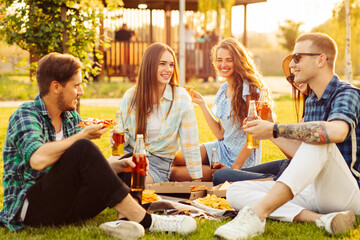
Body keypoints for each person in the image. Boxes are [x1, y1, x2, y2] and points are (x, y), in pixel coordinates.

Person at [0, 52, 197, 239]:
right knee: (83, 148)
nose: (81, 91)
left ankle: (125, 221)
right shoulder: (26, 114)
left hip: (65, 208)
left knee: (128, 162)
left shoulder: (70, 118)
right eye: (76, 86)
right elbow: (37, 159)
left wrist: (118, 166)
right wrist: (81, 137)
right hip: (30, 210)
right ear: (56, 87)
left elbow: (79, 172)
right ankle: (148, 220)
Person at [214, 32, 360, 239]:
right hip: (312, 191)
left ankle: (257, 214)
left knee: (319, 138)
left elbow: (336, 132)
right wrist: (268, 133)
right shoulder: (311, 102)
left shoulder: (347, 93)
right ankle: (320, 219)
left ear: (321, 60)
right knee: (235, 192)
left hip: (346, 193)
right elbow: (302, 153)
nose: (292, 64)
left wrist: (275, 129)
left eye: (298, 57)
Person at [170, 38, 267, 181]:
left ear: (238, 61)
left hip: (240, 161)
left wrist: (234, 169)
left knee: (174, 173)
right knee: (174, 160)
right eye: (219, 60)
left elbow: (254, 137)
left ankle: (218, 175)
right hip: (221, 148)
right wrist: (202, 104)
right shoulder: (223, 90)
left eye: (229, 60)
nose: (223, 64)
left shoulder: (249, 89)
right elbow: (220, 134)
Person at [212, 54, 311, 186]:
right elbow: (293, 156)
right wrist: (271, 125)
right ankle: (272, 180)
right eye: (291, 77)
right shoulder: (310, 105)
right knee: (226, 174)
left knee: (221, 176)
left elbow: (304, 158)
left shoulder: (322, 107)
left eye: (299, 74)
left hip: (298, 173)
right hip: (289, 165)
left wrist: (271, 130)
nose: (295, 80)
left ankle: (276, 182)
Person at [117, 42, 203, 184]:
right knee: (102, 172)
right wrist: (118, 139)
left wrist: (197, 179)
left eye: (171, 65)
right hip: (129, 157)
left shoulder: (181, 98)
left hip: (158, 165)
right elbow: (121, 135)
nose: (168, 69)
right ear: (149, 65)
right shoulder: (131, 96)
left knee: (133, 181)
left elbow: (190, 143)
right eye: (162, 64)